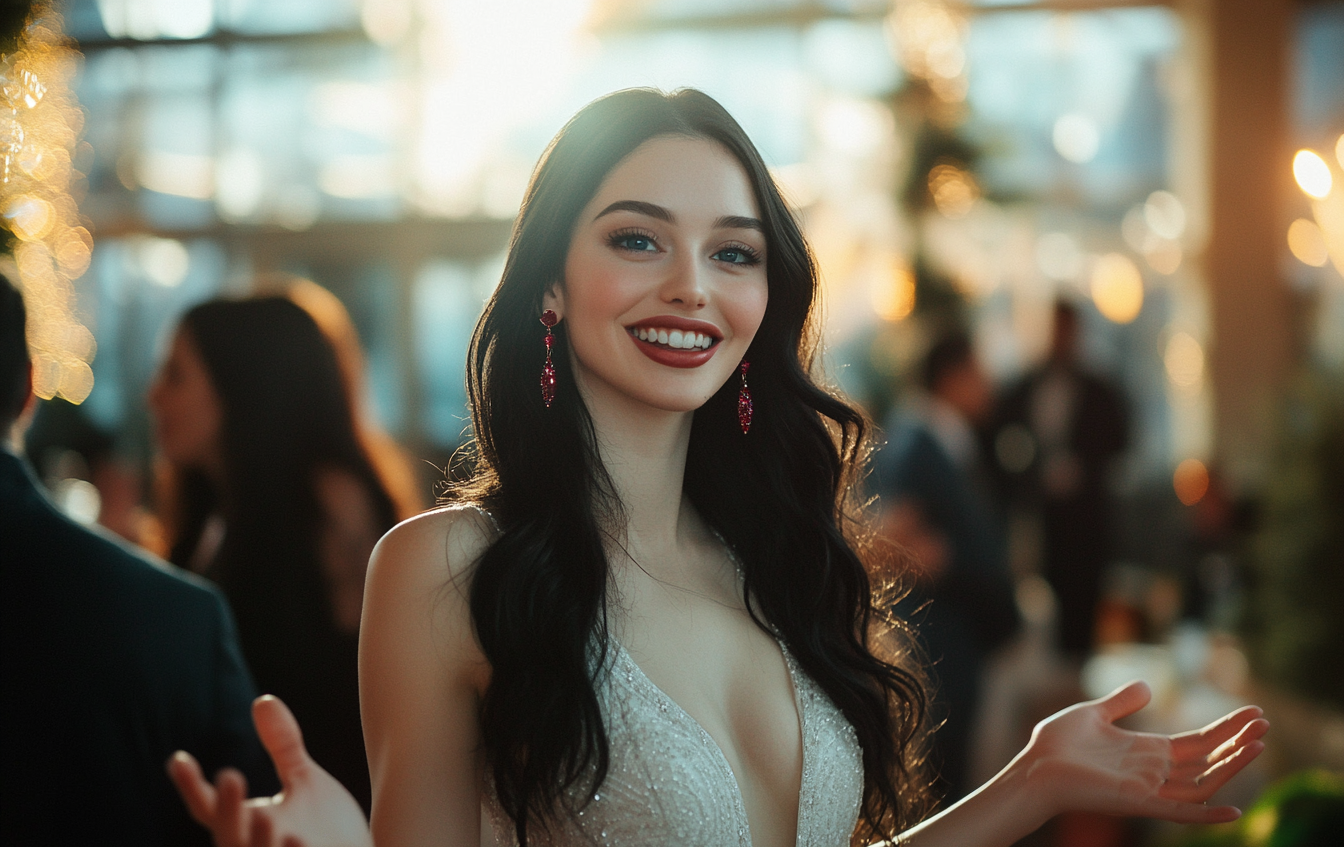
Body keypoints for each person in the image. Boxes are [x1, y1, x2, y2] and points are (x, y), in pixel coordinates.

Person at [167, 89, 1267, 847]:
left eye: (733, 252)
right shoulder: (446, 567)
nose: (693, 285)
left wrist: (1034, 780)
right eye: (639, 239)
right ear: (548, 283)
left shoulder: (776, 558)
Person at [0, 272, 272, 846]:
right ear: (29, 386)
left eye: (173, 374)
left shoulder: (304, 544)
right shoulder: (176, 613)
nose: (151, 395)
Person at [149, 295, 411, 813]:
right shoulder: (215, 512)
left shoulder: (330, 505)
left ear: (241, 385)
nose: (153, 395)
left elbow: (363, 705)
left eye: (175, 374)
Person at [872, 332, 1020, 804]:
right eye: (978, 372)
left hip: (947, 640)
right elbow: (907, 543)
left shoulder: (928, 435)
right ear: (952, 377)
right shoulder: (922, 442)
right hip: (940, 645)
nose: (987, 385)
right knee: (940, 791)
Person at [991, 300, 1130, 659]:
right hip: (1037, 519)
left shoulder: (1100, 389)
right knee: (1036, 612)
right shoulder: (1022, 387)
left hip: (1087, 522)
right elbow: (1001, 446)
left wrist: (1083, 470)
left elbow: (1121, 443)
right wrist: (1034, 477)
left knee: (1082, 611)